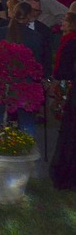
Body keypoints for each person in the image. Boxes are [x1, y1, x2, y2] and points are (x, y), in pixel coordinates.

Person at [0, 1, 43, 135]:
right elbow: (38, 63)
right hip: (25, 84)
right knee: (26, 121)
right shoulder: (35, 37)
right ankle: (28, 151)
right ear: (28, 17)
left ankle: (0, 150)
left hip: (2, 83)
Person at [50, 12, 76, 190]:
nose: (62, 22)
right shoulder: (67, 41)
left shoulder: (71, 42)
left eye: (65, 20)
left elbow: (65, 67)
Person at [25, 0, 54, 77]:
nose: (34, 13)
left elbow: (47, 56)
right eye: (32, 10)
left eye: (37, 11)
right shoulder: (6, 27)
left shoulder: (44, 30)